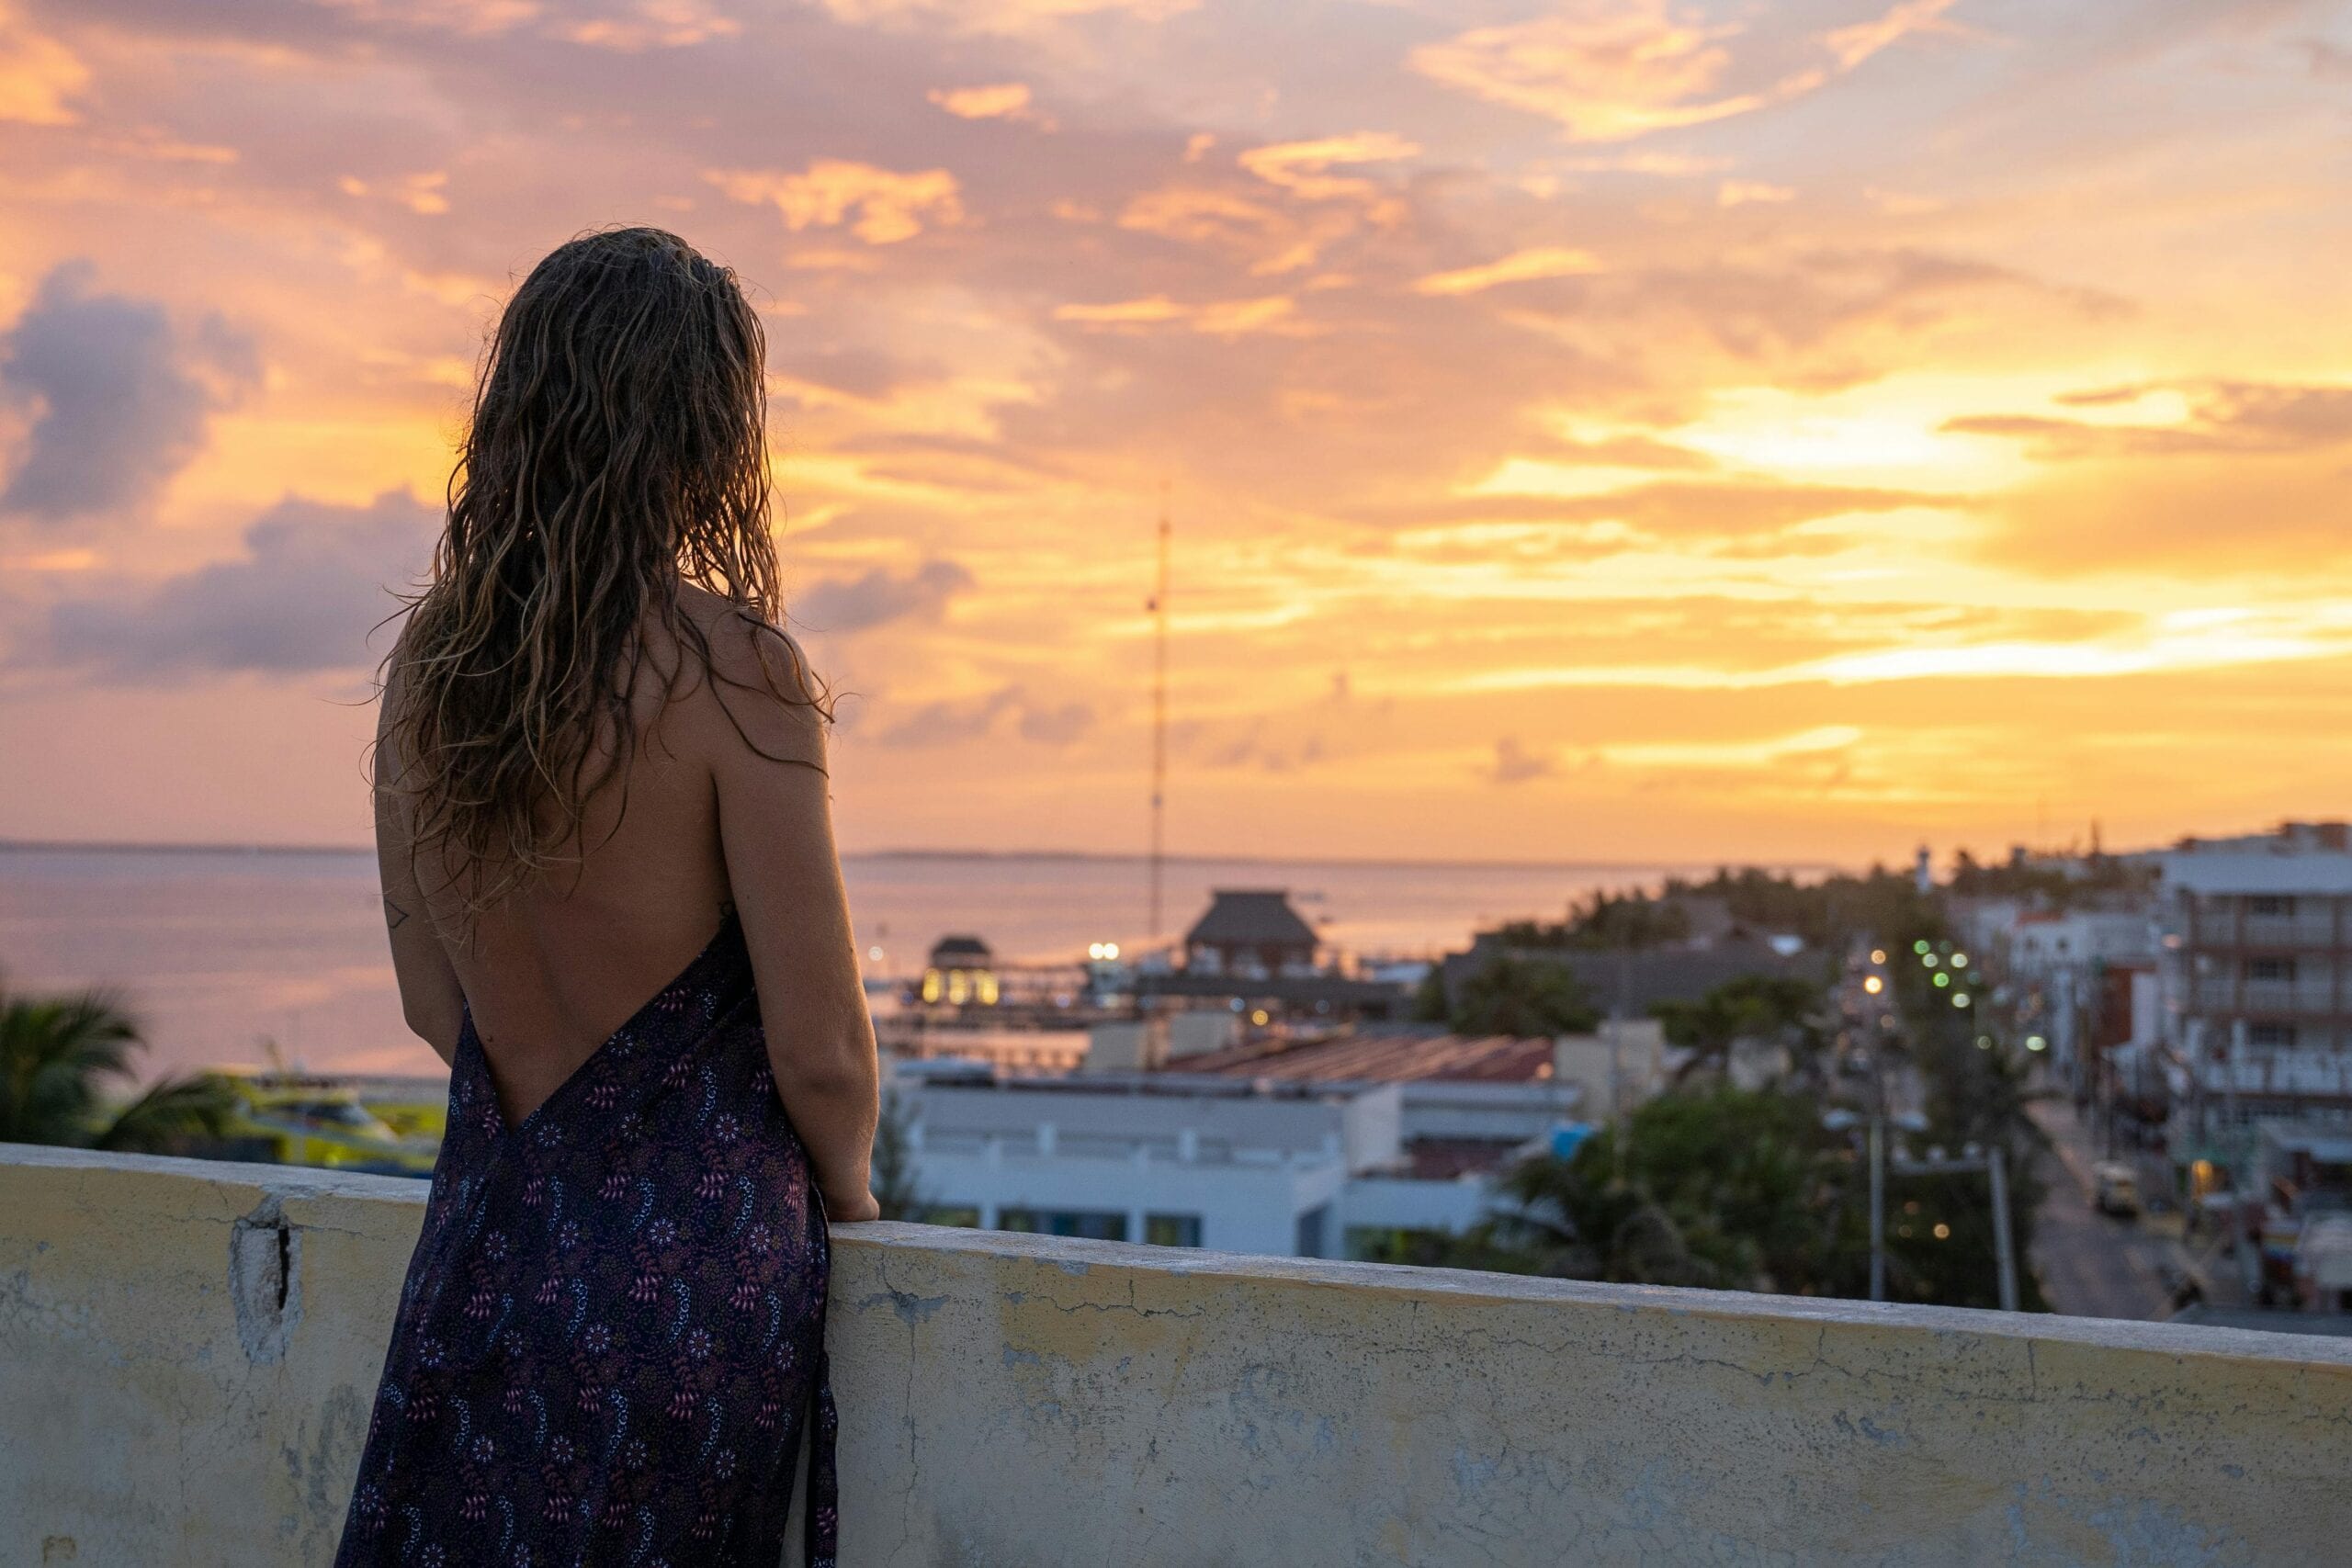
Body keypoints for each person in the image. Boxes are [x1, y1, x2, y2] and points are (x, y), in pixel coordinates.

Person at [334, 226, 881, 1568]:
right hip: (685, 1287)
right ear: (709, 434)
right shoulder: (737, 668)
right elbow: (820, 1053)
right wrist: (856, 1205)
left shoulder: (431, 667)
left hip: (485, 1257)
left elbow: (428, 1003)